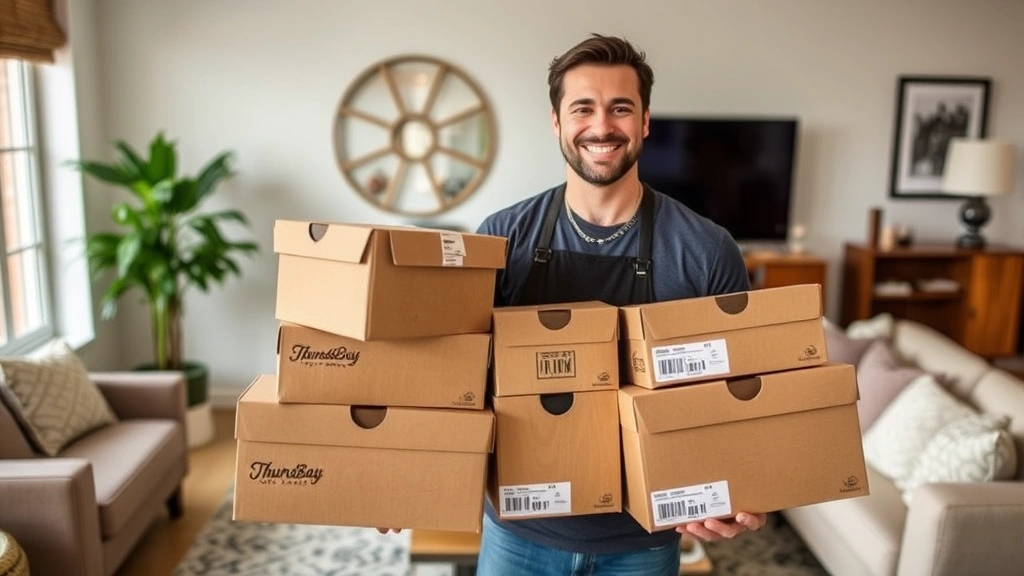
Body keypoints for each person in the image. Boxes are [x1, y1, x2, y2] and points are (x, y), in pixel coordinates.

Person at [471, 33, 767, 575]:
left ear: (646, 121)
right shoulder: (502, 238)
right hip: (521, 533)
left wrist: (749, 491)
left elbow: (742, 395)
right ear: (557, 121)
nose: (602, 126)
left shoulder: (705, 249)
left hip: (643, 539)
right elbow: (457, 375)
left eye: (620, 108)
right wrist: (413, 468)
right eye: (582, 107)